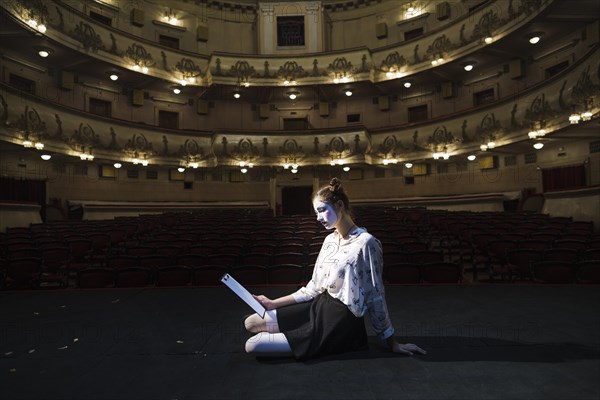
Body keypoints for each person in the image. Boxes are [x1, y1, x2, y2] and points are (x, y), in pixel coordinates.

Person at [243, 178, 426, 361]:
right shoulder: (329, 240)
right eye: (316, 212)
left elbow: (376, 295)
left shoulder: (366, 242)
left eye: (322, 210)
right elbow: (313, 287)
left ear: (339, 205)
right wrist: (273, 303)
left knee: (252, 345)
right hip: (320, 306)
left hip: (341, 320)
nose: (318, 218)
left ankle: (338, 339)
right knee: (251, 322)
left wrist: (392, 343)